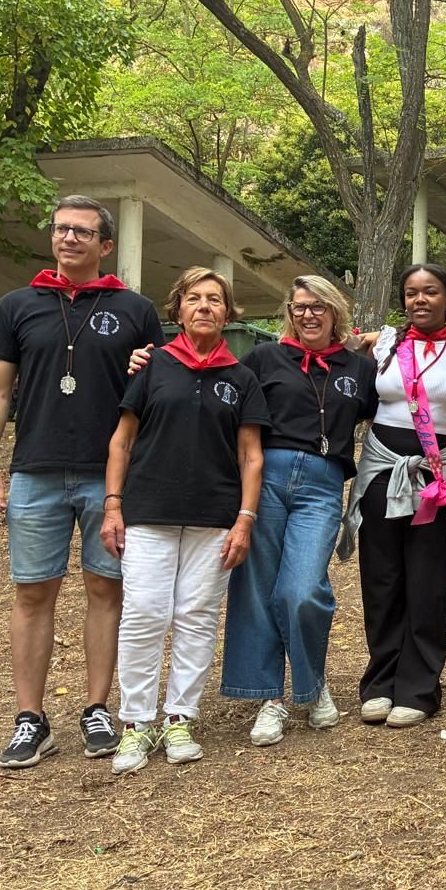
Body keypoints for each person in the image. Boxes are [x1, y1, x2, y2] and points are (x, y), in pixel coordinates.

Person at [0, 195, 164, 769]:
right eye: (61, 230)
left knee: (106, 591)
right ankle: (30, 718)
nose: (69, 239)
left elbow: (157, 389)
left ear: (105, 244)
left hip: (110, 478)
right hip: (34, 471)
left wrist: (147, 367)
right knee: (33, 592)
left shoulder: (134, 308)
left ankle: (97, 708)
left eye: (82, 232)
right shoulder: (16, 305)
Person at [100, 267, 269, 775]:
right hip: (148, 512)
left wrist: (244, 520)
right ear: (177, 310)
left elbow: (251, 456)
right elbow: (121, 441)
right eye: (193, 299)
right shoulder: (152, 368)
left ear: (228, 312)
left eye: (215, 300)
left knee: (196, 615)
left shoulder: (241, 379)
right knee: (145, 613)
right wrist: (112, 505)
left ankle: (179, 718)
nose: (204, 307)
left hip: (215, 518)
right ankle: (134, 723)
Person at [225, 277, 378, 744]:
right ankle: (271, 697)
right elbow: (218, 401)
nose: (308, 315)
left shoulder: (358, 368)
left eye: (318, 307)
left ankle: (310, 686)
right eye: (299, 307)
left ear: (336, 313)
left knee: (302, 589)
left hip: (323, 482)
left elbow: (392, 412)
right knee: (258, 587)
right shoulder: (263, 358)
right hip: (265, 478)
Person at [343, 264, 446, 730]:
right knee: (380, 576)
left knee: (427, 577)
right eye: (411, 293)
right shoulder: (383, 344)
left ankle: (420, 686)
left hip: (436, 474)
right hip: (382, 466)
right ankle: (380, 680)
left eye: (431, 292)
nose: (420, 300)